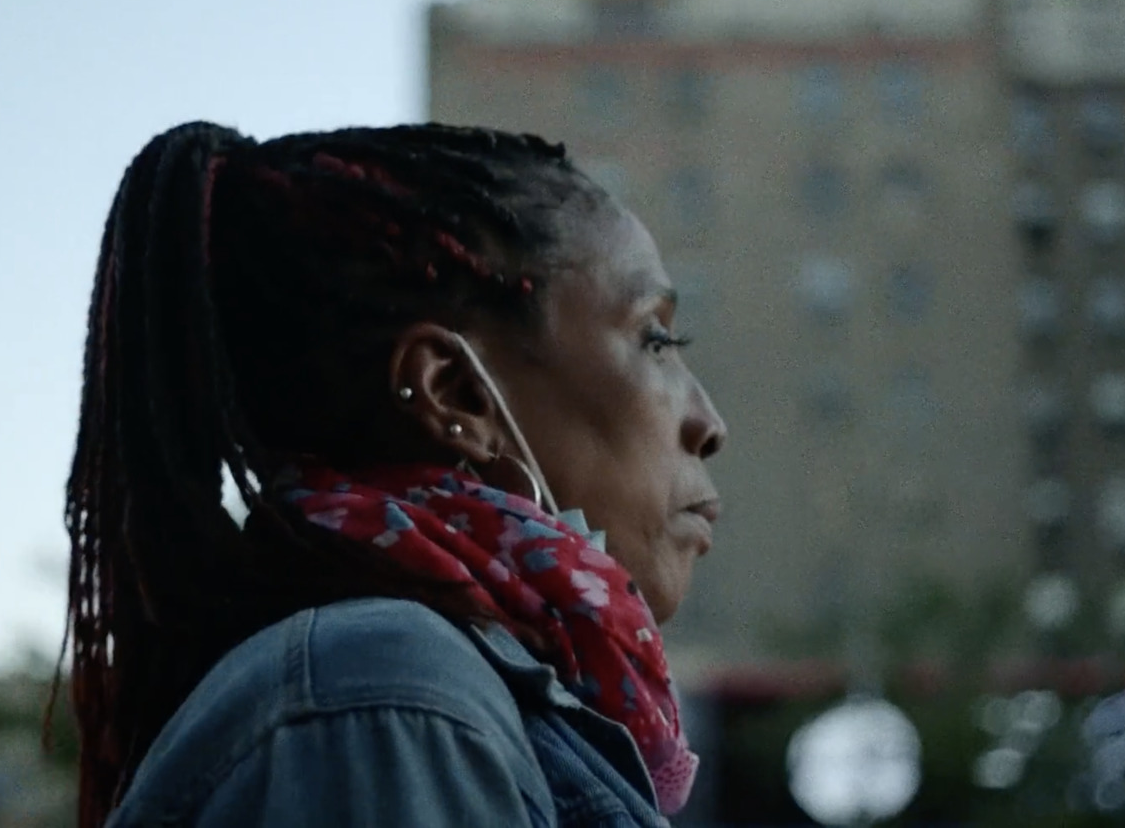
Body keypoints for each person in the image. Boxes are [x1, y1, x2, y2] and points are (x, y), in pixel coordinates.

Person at [61, 121, 727, 827]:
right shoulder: (387, 699)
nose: (710, 423)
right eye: (656, 338)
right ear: (456, 394)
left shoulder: (410, 691)